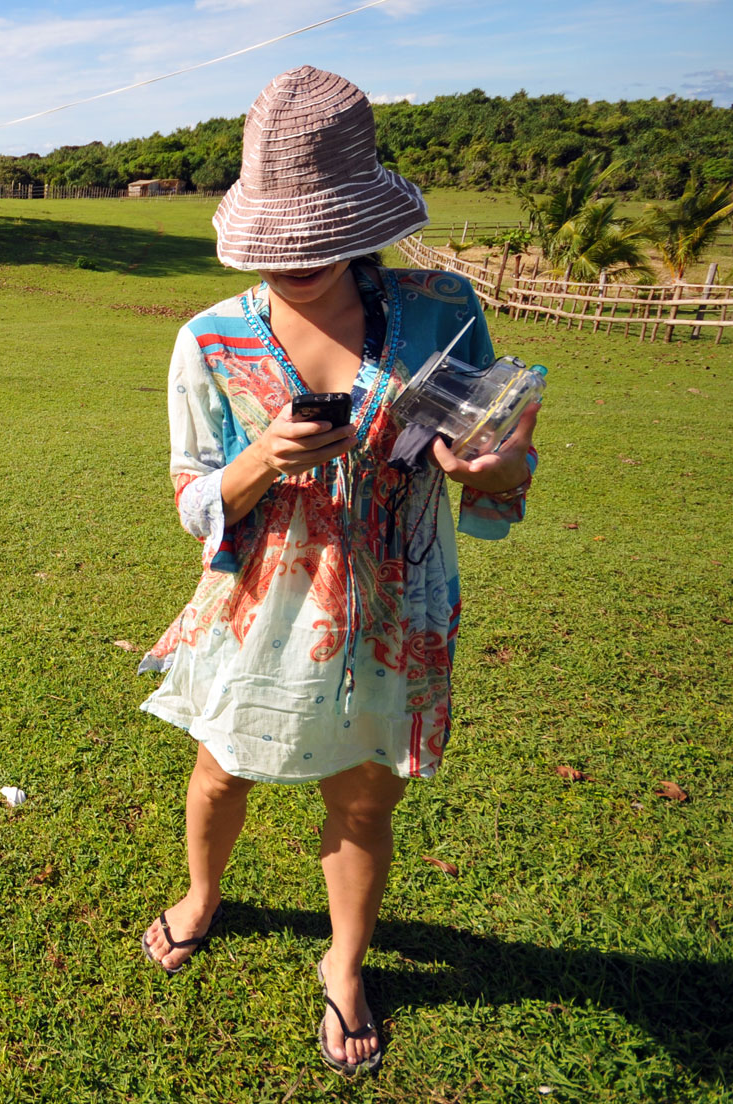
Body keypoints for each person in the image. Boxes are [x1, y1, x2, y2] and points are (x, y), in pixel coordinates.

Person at [135, 66, 539, 1077]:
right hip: (257, 604)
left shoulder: (441, 306)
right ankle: (202, 893)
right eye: (277, 241)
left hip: (396, 600)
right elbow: (191, 498)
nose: (297, 260)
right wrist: (258, 461)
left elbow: (494, 468)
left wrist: (505, 466)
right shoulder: (212, 338)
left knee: (363, 797)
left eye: (318, 235)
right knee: (221, 766)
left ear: (363, 219)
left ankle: (347, 961)